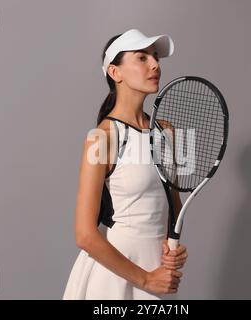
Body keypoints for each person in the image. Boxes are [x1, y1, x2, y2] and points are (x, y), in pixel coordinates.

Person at [63, 29, 188, 300]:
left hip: (156, 274)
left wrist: (172, 249)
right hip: (114, 278)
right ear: (115, 72)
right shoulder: (103, 138)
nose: (155, 64)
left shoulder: (168, 132)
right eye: (141, 58)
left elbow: (172, 207)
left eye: (155, 57)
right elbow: (84, 235)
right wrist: (146, 279)